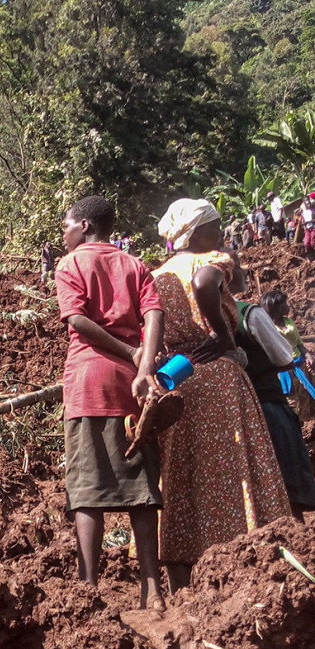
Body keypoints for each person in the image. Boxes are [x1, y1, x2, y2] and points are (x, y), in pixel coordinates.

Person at [152, 199, 290, 593]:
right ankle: (244, 553)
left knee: (183, 474)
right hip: (219, 378)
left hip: (180, 378)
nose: (223, 232)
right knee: (234, 468)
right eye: (216, 226)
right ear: (196, 233)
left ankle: (183, 572)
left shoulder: (159, 274)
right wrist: (223, 336)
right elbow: (204, 284)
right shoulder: (209, 259)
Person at [54, 196, 166, 610]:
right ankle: (152, 590)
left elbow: (78, 321)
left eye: (66, 225)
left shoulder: (70, 265)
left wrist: (126, 352)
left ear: (83, 225)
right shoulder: (136, 265)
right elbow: (154, 315)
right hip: (133, 388)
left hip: (88, 382)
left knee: (86, 489)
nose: (63, 233)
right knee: (141, 484)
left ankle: (88, 589)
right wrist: (143, 362)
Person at [230, 273, 315, 521]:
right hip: (265, 401)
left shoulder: (190, 314)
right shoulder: (248, 313)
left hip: (222, 409)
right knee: (287, 470)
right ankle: (293, 530)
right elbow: (284, 357)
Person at [261, 290, 315, 410]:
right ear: (273, 307)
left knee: (306, 400)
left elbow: (299, 344)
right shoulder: (267, 328)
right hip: (283, 372)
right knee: (292, 404)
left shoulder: (289, 322)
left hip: (300, 367)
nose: (287, 306)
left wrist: (308, 356)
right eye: (283, 304)